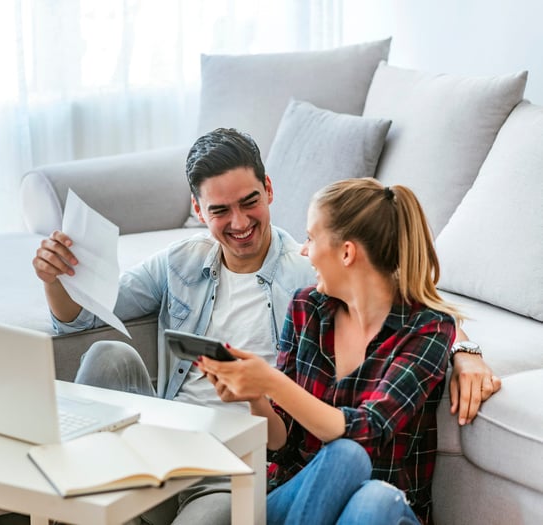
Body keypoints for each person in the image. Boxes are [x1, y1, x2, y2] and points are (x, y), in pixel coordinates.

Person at [32, 129, 498, 524]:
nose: (238, 222)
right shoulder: (296, 301)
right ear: (198, 210)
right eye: (219, 211)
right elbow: (86, 313)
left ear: (269, 190)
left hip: (237, 470)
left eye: (249, 202)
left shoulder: (309, 282)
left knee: (355, 467)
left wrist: (466, 349)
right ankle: (74, 502)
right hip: (180, 443)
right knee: (107, 356)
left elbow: (417, 309)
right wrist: (56, 279)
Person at [199, 178, 465, 524]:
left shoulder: (426, 329)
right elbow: (283, 443)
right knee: (345, 458)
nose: (304, 250)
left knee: (369, 488)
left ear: (346, 252)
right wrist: (255, 398)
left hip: (377, 512)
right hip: (296, 499)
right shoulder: (306, 308)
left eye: (311, 238)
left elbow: (369, 429)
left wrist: (273, 382)